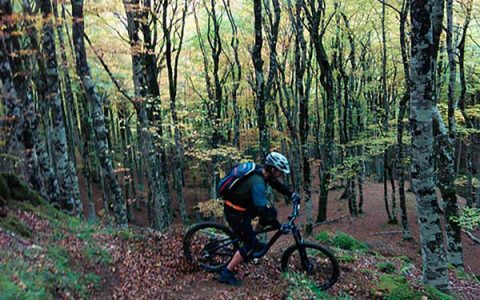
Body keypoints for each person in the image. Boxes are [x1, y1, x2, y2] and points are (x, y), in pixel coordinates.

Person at [218, 152, 300, 286]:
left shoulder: (262, 172)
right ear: (273, 169)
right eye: (280, 172)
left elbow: (275, 184)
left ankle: (254, 239)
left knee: (271, 212)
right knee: (249, 243)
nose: (281, 174)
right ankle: (226, 273)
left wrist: (291, 194)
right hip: (235, 212)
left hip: (244, 206)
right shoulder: (258, 182)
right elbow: (261, 209)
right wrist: (279, 226)